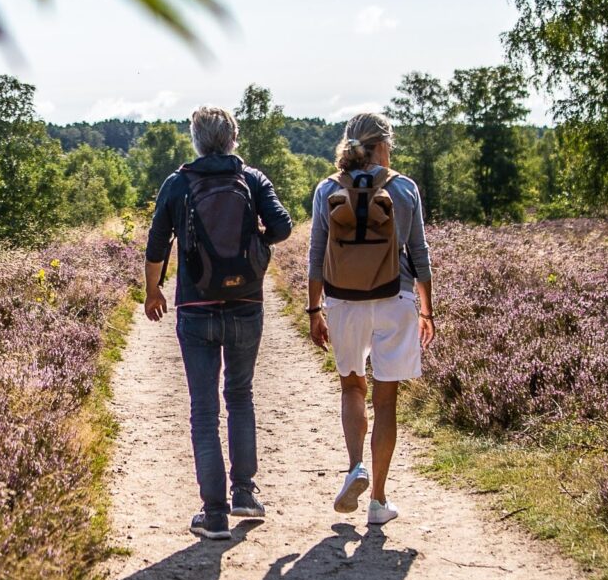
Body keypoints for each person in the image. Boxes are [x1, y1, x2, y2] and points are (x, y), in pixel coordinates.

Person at [144, 105, 296, 540]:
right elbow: (283, 226)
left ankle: (213, 516)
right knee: (241, 396)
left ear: (196, 139)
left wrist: (153, 291)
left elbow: (157, 244)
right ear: (233, 138)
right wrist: (255, 244)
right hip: (246, 302)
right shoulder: (251, 179)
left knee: (204, 410)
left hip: (196, 308)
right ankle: (245, 494)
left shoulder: (178, 183)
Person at [305, 111, 434, 526]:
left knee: (352, 388)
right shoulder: (405, 188)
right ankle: (378, 501)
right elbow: (420, 254)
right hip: (395, 297)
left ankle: (355, 466)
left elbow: (316, 258)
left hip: (344, 301)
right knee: (386, 399)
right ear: (383, 145)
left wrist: (313, 310)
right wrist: (427, 308)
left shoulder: (328, 188)